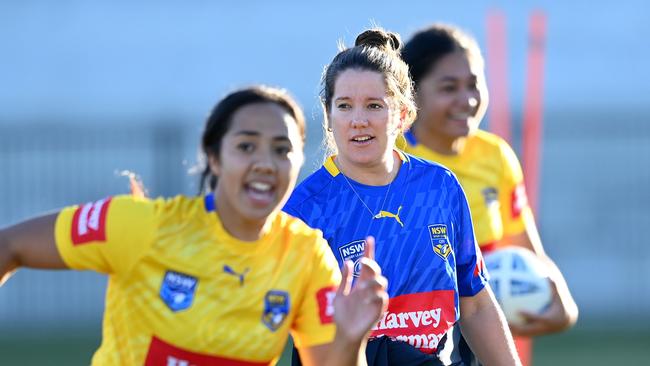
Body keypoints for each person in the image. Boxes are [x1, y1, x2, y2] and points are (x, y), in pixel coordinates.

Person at [0, 86, 389, 366]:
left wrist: (352, 339)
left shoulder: (306, 255)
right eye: (246, 146)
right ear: (214, 157)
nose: (265, 163)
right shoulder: (144, 226)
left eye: (282, 150)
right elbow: (10, 246)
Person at [284, 28, 520, 366]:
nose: (359, 121)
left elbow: (475, 301)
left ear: (403, 115)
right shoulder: (306, 210)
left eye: (375, 106)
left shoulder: (440, 187)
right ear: (328, 116)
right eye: (345, 106)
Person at [400, 24, 579, 364]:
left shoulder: (496, 156)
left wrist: (562, 304)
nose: (466, 100)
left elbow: (525, 247)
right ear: (413, 93)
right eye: (448, 88)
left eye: (474, 85)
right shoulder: (391, 155)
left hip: (482, 326)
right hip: (412, 334)